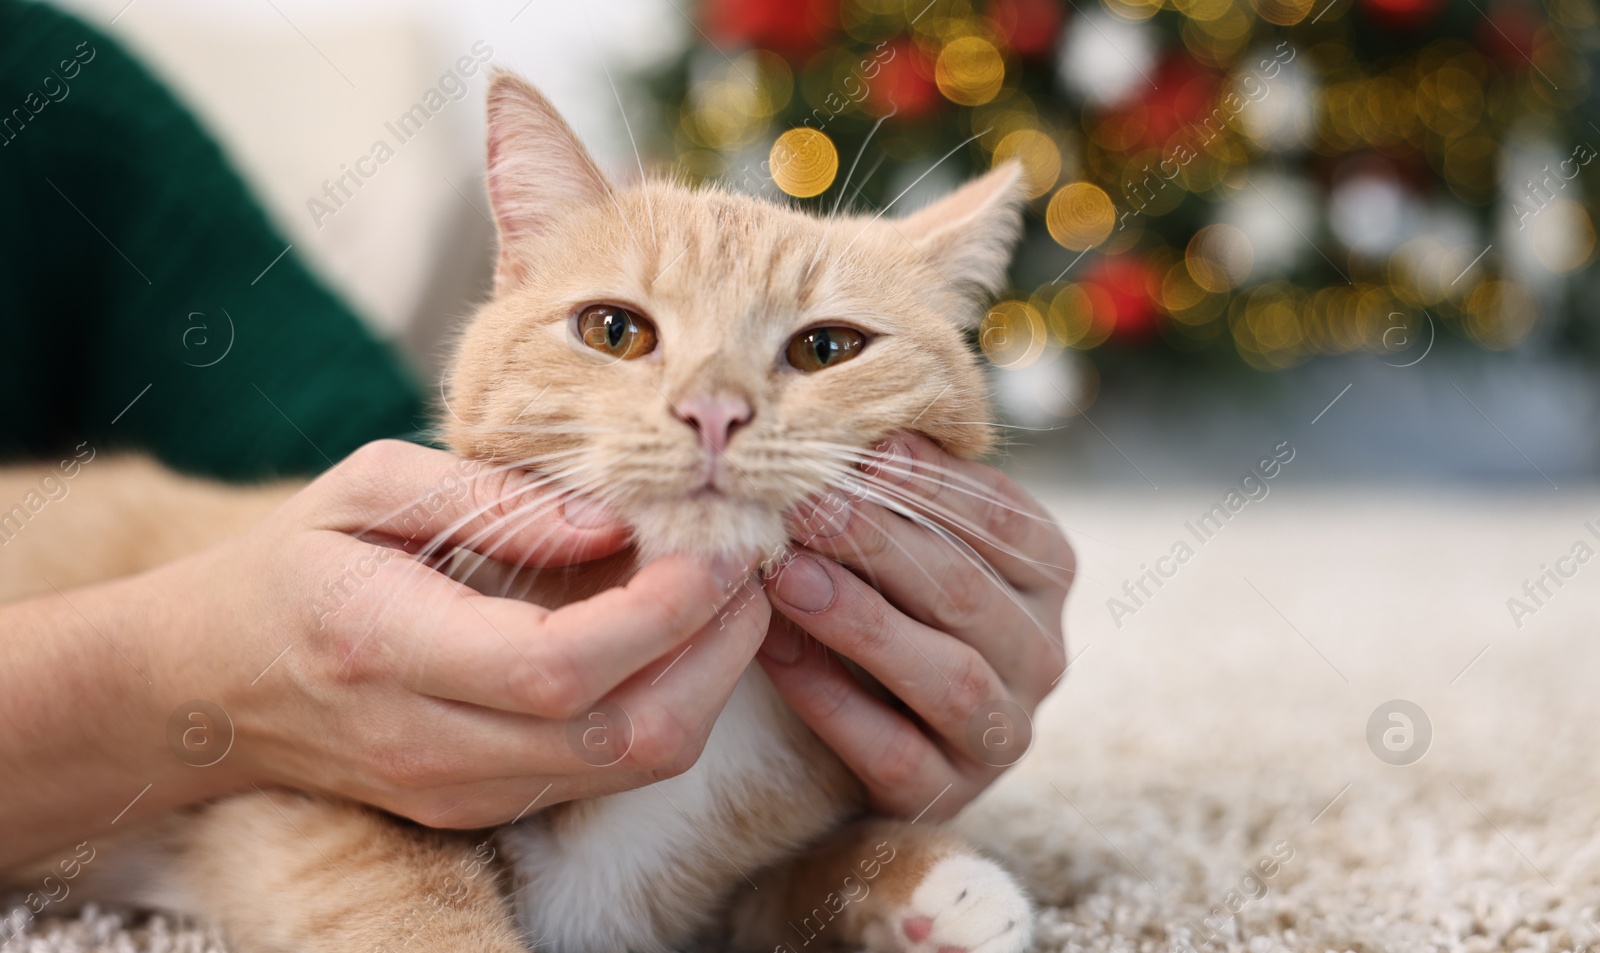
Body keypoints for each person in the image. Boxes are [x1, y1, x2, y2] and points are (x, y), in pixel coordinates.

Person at [0, 0, 1073, 872]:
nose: (714, 406)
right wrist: (166, 676)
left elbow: (354, 441)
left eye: (825, 346)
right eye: (620, 329)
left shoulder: (61, 98)